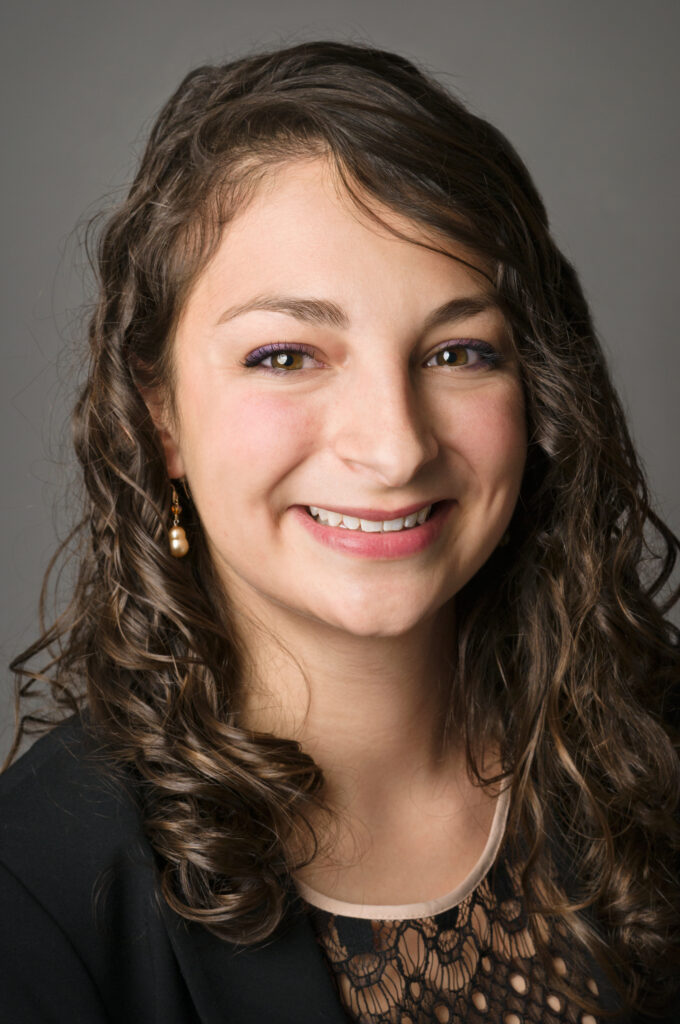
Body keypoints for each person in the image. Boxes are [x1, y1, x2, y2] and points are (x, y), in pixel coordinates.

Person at [1, 40, 678, 1024]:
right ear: (159, 415)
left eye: (456, 350)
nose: (394, 446)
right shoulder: (33, 886)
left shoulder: (658, 761)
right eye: (285, 354)